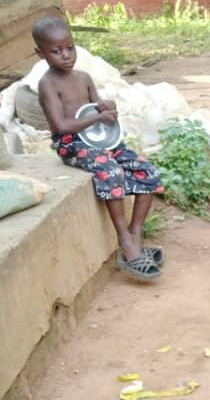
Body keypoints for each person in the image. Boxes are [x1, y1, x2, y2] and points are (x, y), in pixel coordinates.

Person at [33, 15, 164, 282]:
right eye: (56, 51)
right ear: (40, 53)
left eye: (70, 47)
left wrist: (109, 108)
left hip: (101, 141)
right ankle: (125, 240)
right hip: (71, 144)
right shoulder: (48, 84)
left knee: (147, 171)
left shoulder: (84, 78)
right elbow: (60, 126)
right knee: (111, 171)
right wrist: (97, 118)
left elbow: (100, 109)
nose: (66, 55)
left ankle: (136, 234)